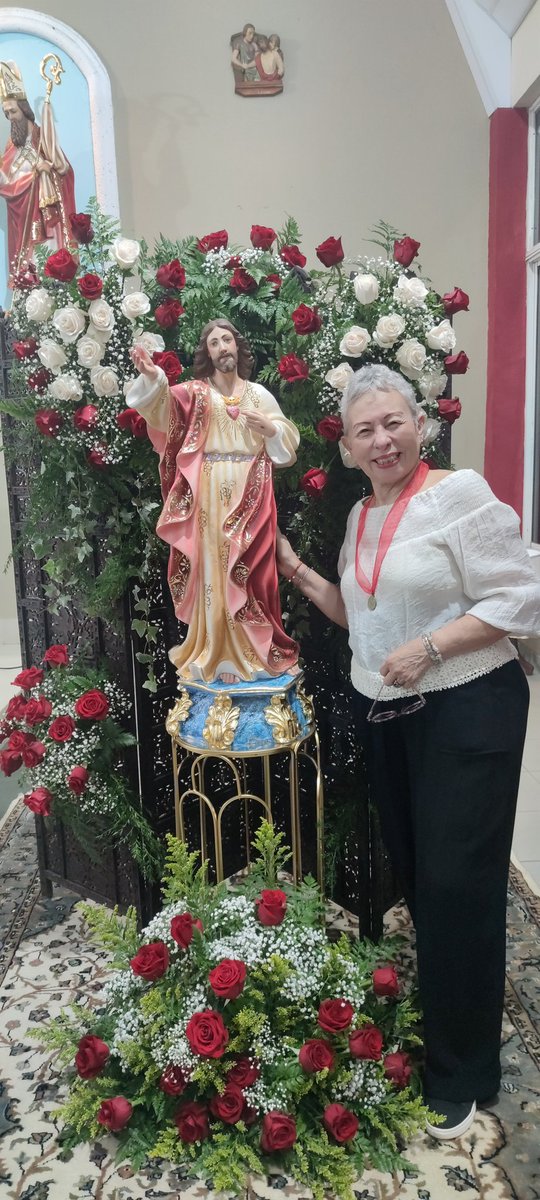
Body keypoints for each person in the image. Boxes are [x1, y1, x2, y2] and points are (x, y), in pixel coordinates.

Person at [277, 363, 540, 1140]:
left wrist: (429, 646)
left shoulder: (459, 495)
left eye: (394, 422)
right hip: (392, 717)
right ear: (349, 449)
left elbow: (520, 594)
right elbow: (356, 616)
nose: (383, 438)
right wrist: (292, 567)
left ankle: (464, 1076)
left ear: (419, 425)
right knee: (425, 880)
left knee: (460, 882)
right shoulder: (360, 517)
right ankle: (448, 1021)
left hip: (469, 707)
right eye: (366, 430)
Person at [128, 319, 300, 684]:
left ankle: (254, 651)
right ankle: (217, 652)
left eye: (227, 340)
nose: (223, 347)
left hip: (251, 493)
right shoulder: (196, 394)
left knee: (252, 571)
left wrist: (270, 429)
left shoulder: (259, 394)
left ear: (238, 348)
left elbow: (287, 442)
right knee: (214, 571)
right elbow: (161, 408)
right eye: (214, 343)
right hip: (208, 494)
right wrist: (152, 376)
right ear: (207, 353)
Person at [0, 61, 76, 287]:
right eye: (6, 113)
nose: (11, 117)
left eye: (13, 111)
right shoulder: (11, 146)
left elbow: (65, 170)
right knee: (26, 267)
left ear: (23, 109)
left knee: (47, 262)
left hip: (45, 217)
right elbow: (5, 179)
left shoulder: (43, 139)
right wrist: (24, 181)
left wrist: (48, 169)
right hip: (20, 217)